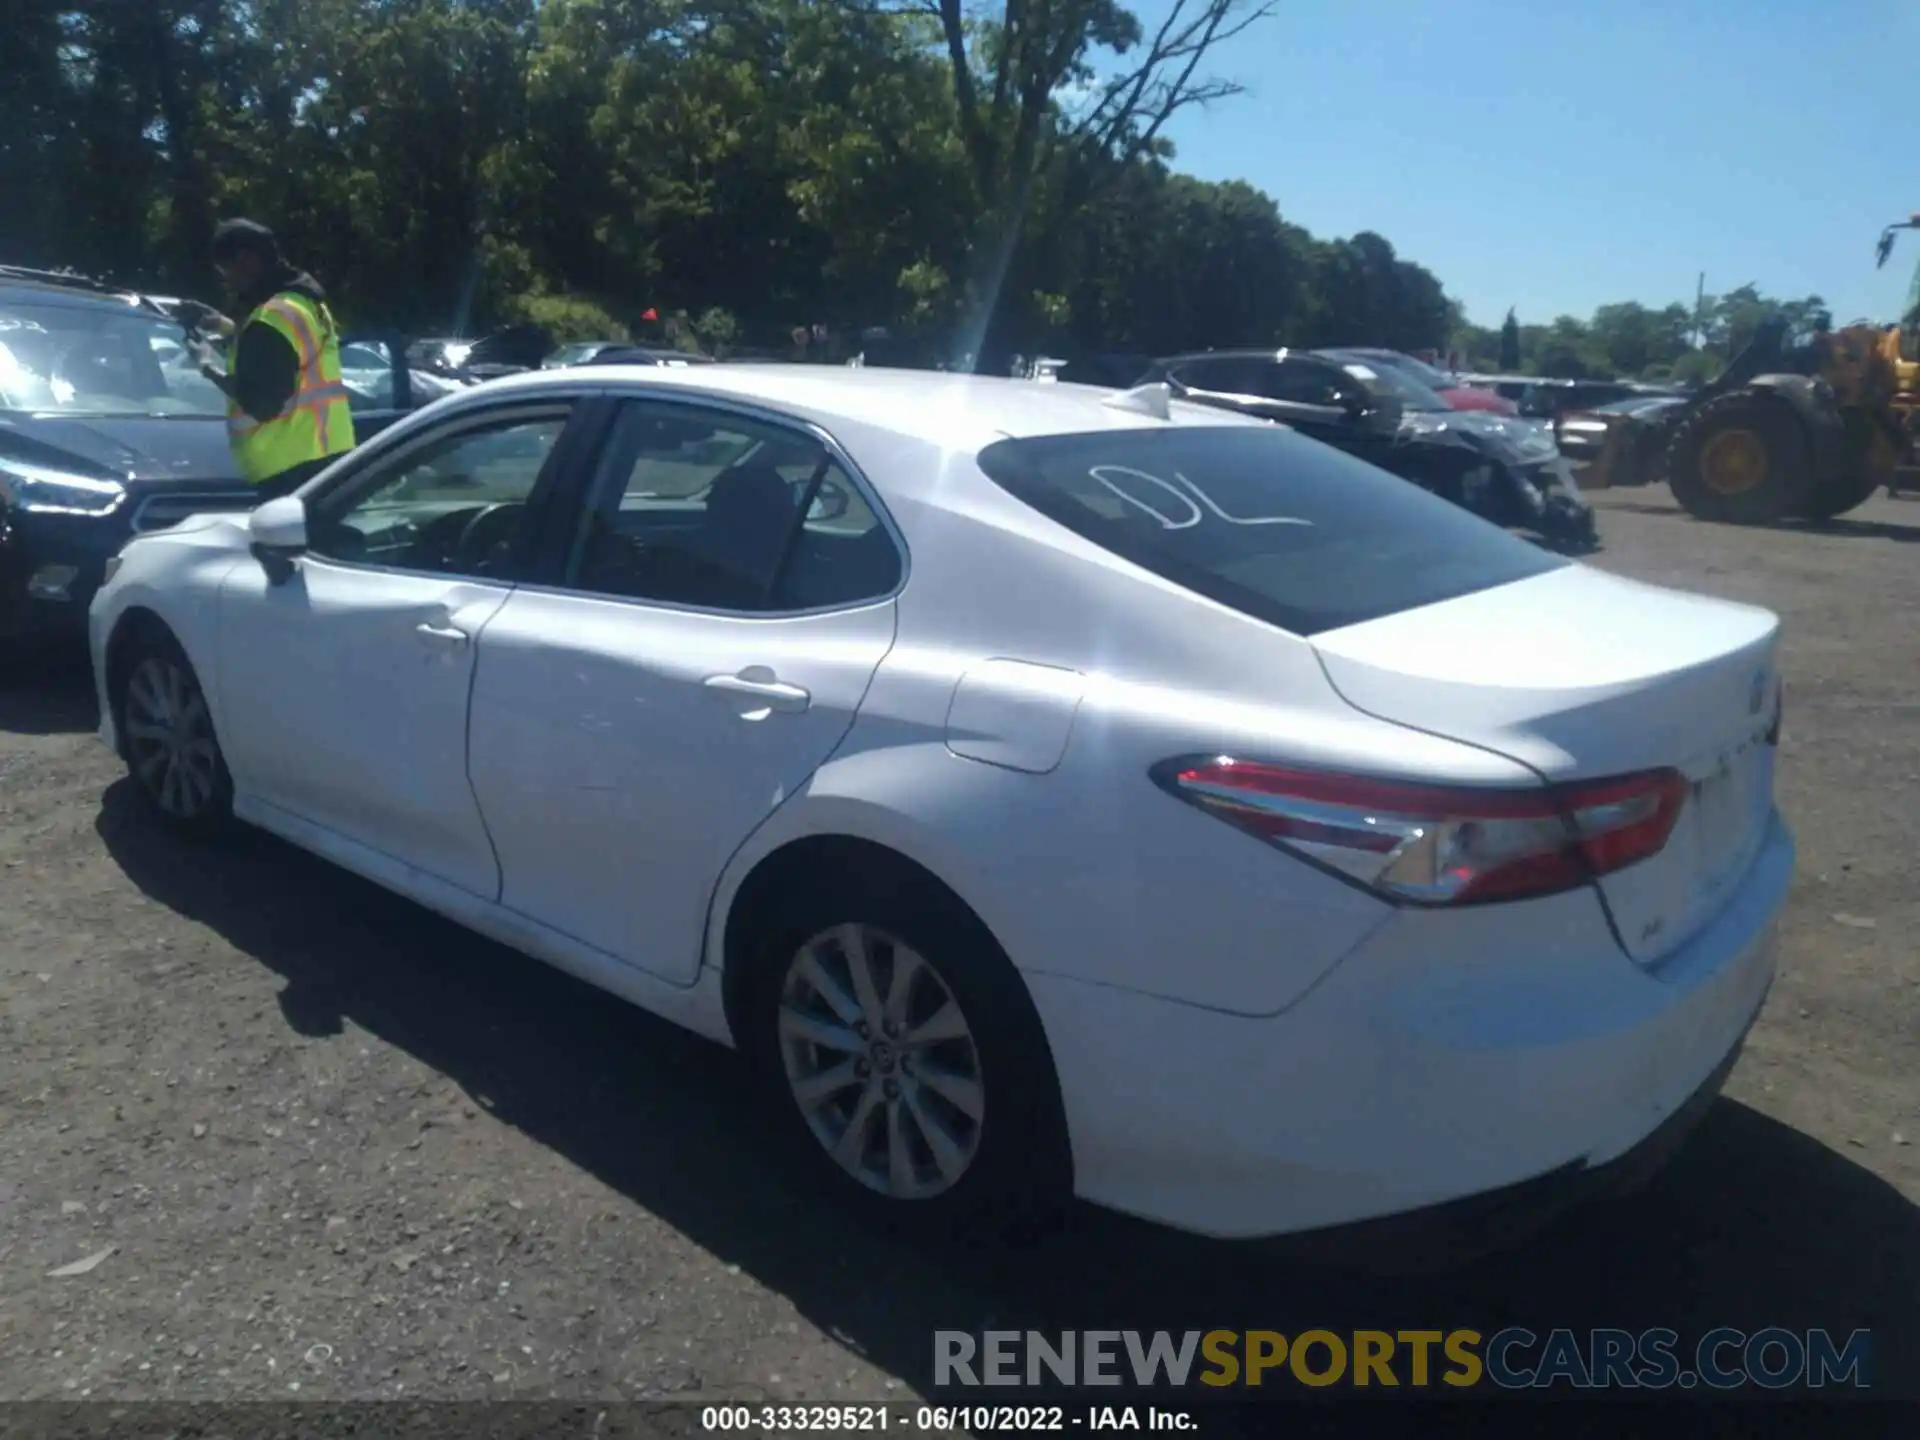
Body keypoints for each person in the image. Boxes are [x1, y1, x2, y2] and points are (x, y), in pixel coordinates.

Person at [187, 219, 355, 501]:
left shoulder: (272, 318)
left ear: (246, 261)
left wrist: (207, 366)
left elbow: (262, 403)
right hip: (327, 460)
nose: (227, 281)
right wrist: (228, 327)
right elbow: (282, 352)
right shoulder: (302, 303)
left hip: (288, 472)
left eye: (226, 270)